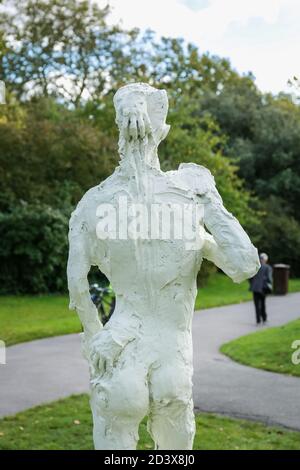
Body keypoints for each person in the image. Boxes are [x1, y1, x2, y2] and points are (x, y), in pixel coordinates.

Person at [67, 83, 260, 450]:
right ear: (164, 132)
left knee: (116, 438)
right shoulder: (186, 196)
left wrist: (95, 338)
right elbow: (246, 264)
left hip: (119, 345)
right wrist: (209, 202)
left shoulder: (95, 201)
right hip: (170, 351)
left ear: (120, 128)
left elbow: (77, 282)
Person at [249, 253, 273, 325]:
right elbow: (269, 279)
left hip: (255, 288)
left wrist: (252, 284)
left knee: (256, 305)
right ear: (265, 260)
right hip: (263, 288)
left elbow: (250, 277)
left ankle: (258, 320)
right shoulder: (268, 267)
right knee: (262, 304)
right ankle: (264, 319)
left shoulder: (255, 267)